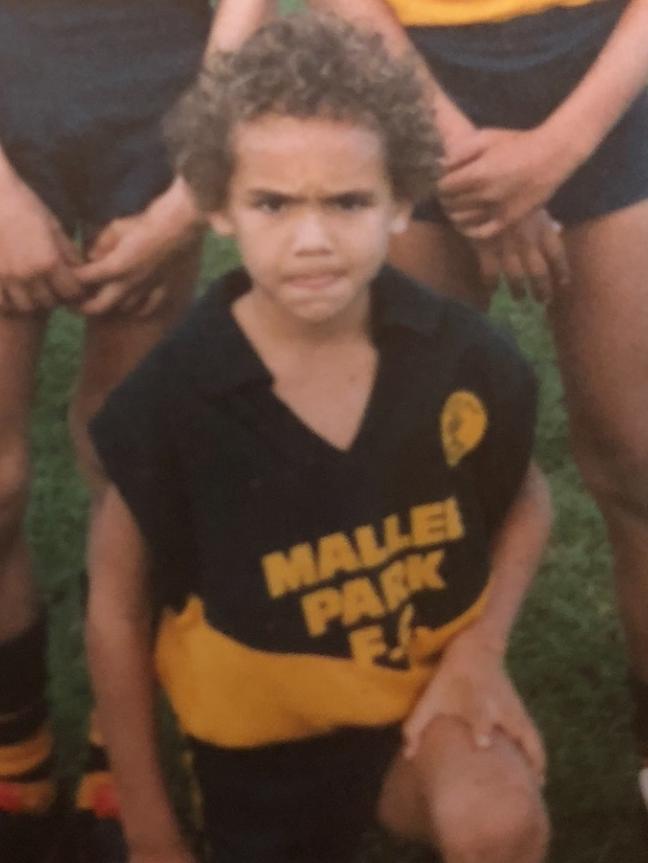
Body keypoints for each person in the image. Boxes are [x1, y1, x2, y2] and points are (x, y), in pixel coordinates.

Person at [86, 14, 553, 863]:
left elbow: (527, 500)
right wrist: (149, 827)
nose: (312, 239)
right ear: (219, 204)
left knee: (501, 823)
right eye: (273, 202)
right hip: (254, 743)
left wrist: (480, 653)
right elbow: (117, 606)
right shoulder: (177, 390)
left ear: (402, 199)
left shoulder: (456, 354)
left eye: (347, 202)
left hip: (421, 704)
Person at [297, 0, 648, 810]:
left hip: (599, 73)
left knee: (637, 461)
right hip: (406, 74)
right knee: (404, 463)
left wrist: (560, 147)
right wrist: (465, 158)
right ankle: (428, 754)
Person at [0, 1, 276, 860]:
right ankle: (15, 748)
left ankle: (121, 757)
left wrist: (188, 187)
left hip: (164, 90)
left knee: (123, 459)